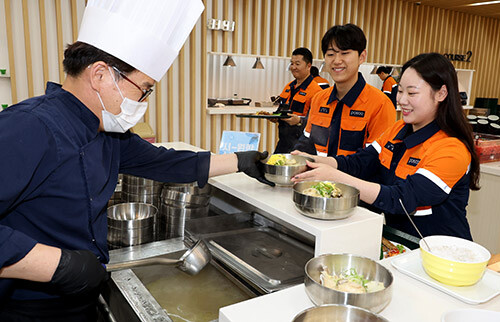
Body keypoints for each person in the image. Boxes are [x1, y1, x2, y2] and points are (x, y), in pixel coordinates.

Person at [0, 1, 273, 320]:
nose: (142, 102)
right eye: (143, 90)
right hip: (28, 309)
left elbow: (166, 163)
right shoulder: (29, 128)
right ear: (101, 75)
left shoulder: (104, 131)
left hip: (79, 300)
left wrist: (241, 161)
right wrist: (59, 266)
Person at [292, 53, 480, 240]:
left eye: (412, 93)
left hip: (443, 254)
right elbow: (360, 162)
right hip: (399, 244)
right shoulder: (399, 129)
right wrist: (312, 160)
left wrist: (336, 178)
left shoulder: (451, 149)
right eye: (400, 91)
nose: (402, 100)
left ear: (441, 93)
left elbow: (401, 198)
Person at [293, 24, 396, 157]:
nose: (337, 61)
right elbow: (306, 143)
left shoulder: (380, 105)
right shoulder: (319, 99)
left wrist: (332, 169)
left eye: (345, 53)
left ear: (362, 56)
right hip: (316, 177)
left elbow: (375, 160)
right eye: (330, 54)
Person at [272, 47, 323, 153]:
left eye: (297, 64)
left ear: (308, 66)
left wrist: (299, 121)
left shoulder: (316, 92)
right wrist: (275, 117)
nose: (293, 67)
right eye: (292, 63)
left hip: (302, 145)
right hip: (283, 143)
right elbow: (281, 110)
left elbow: (319, 122)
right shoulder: (288, 87)